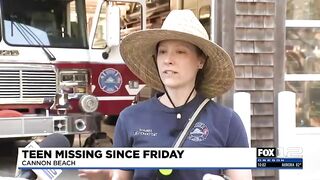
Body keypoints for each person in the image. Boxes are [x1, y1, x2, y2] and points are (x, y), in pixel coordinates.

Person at [79, 9, 252, 180]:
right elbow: (120, 176)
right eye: (162, 51)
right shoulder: (130, 118)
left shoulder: (227, 122)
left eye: (180, 51)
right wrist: (107, 177)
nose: (168, 59)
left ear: (201, 61)